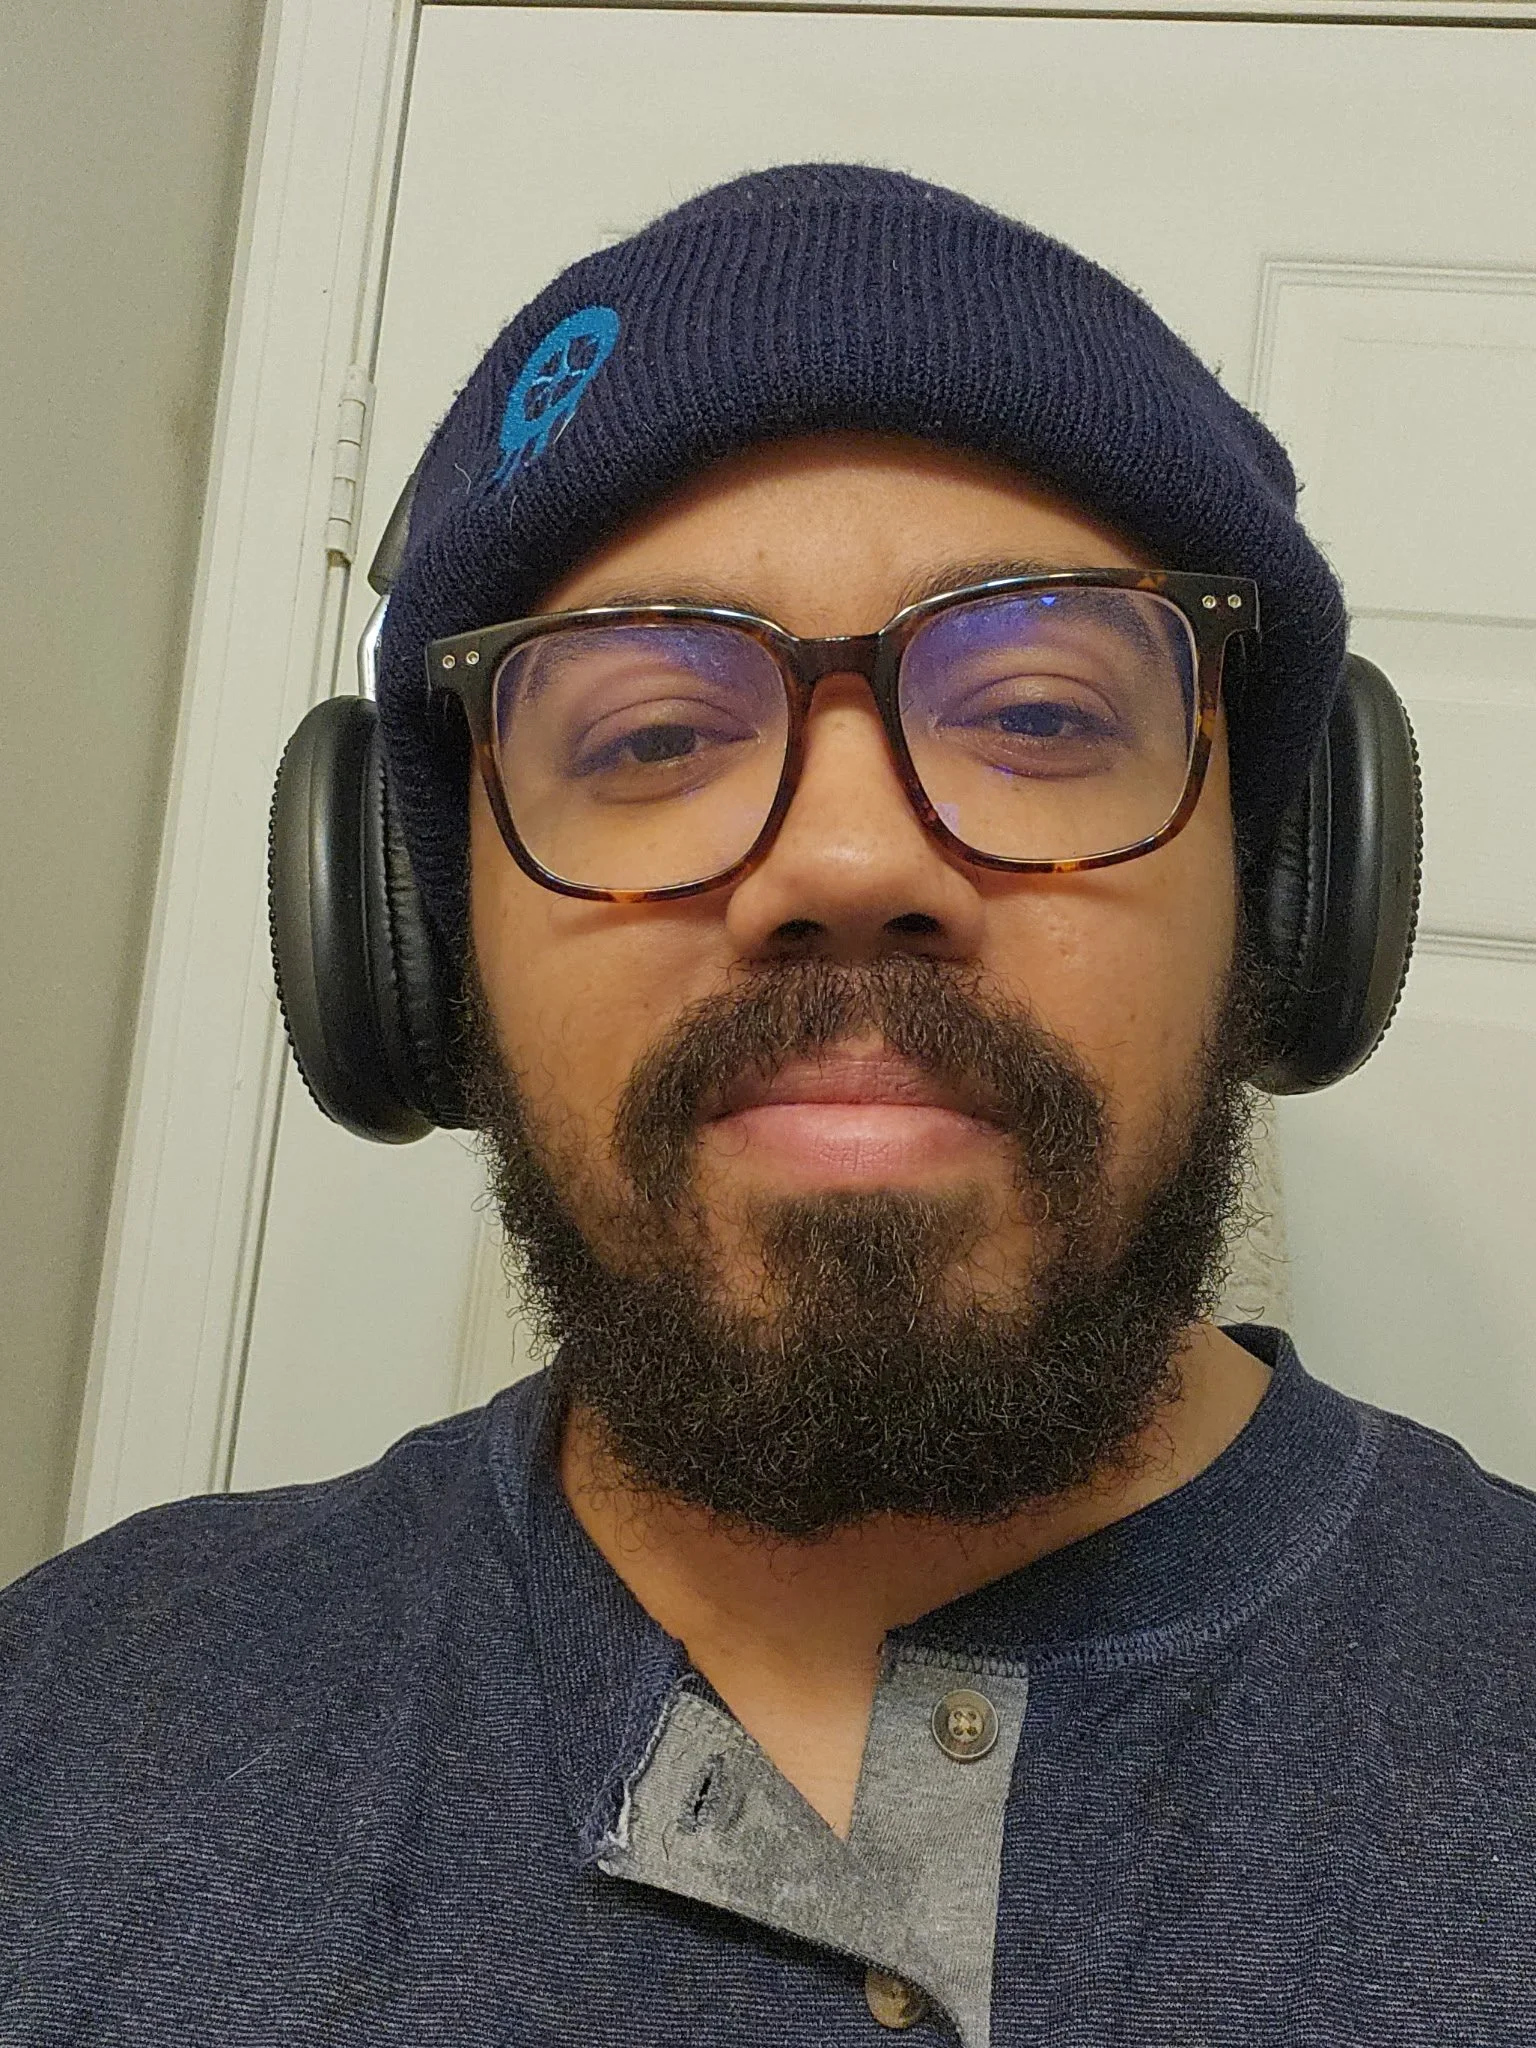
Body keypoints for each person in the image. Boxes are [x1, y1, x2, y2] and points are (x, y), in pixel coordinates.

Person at [2, 163, 1532, 2045]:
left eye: (1041, 713)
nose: (850, 857)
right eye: (650, 734)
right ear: (419, 956)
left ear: (1286, 901)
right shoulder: (63, 1737)